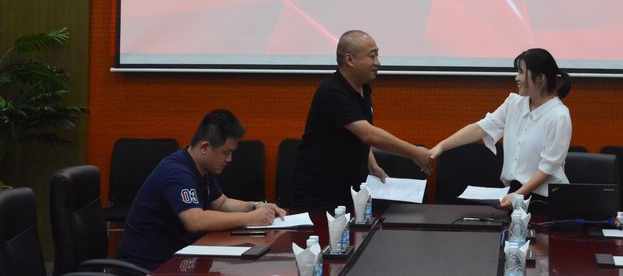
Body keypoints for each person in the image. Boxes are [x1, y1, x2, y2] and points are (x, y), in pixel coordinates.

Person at [117, 109, 286, 269]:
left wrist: (256, 206)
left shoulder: (202, 169)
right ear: (204, 148)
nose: (229, 159)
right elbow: (195, 221)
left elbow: (221, 203)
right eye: (226, 152)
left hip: (177, 260)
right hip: (148, 267)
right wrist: (249, 219)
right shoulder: (176, 172)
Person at [292, 30, 432, 211]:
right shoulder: (332, 92)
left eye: (377, 55)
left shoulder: (363, 87)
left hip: (348, 187)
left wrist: (372, 165)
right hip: (319, 192)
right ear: (350, 60)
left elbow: (357, 132)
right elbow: (368, 134)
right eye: (372, 56)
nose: (378, 63)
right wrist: (414, 153)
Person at [429, 48, 572, 210]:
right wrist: (441, 146)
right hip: (515, 192)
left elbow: (548, 167)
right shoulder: (514, 103)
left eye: (521, 72)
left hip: (544, 198)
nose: (516, 78)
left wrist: (518, 195)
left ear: (540, 78)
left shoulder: (559, 116)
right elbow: (481, 128)